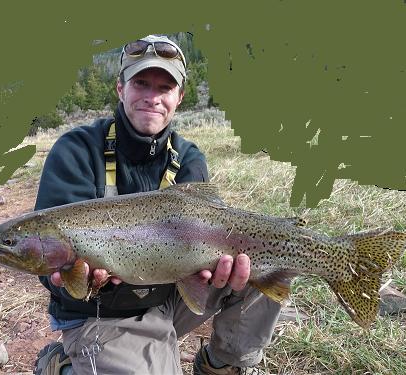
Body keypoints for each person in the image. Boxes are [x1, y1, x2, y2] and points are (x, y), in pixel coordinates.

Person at [33, 34, 281, 375]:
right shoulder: (76, 150)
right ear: (121, 88)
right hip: (101, 311)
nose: (152, 97)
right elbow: (50, 267)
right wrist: (75, 278)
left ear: (179, 97)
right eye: (141, 83)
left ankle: (219, 365)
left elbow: (204, 259)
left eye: (164, 88)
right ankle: (64, 366)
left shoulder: (189, 157)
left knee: (272, 262)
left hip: (169, 294)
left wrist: (217, 275)